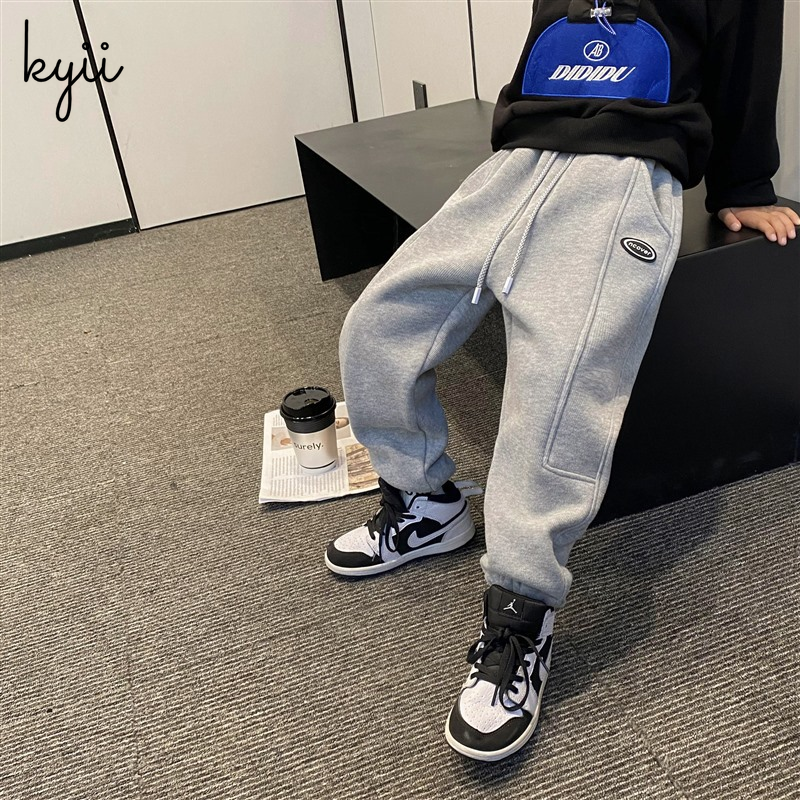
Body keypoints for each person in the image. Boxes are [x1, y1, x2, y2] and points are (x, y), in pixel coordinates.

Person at [324, 0, 799, 762]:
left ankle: (521, 611)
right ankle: (424, 504)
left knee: (559, 384)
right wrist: (514, 130)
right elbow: (544, 44)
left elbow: (749, 59)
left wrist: (746, 182)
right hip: (519, 162)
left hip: (625, 172)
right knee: (377, 326)